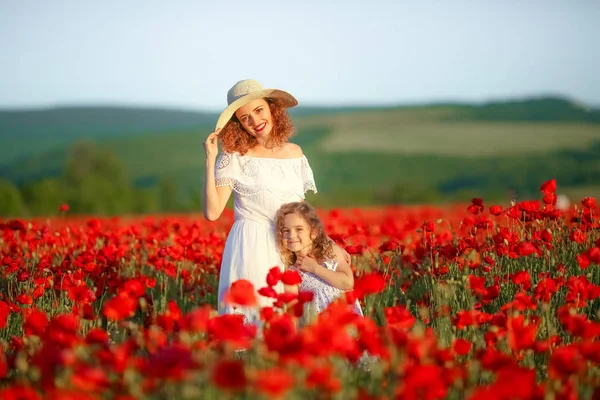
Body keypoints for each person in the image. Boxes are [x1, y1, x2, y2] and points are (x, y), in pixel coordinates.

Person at [202, 79, 349, 324]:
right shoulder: (234, 157)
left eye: (258, 110)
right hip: (252, 244)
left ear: (272, 108)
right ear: (238, 124)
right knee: (254, 319)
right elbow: (212, 212)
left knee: (291, 322)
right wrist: (210, 159)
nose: (255, 121)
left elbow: (301, 213)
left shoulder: (295, 153)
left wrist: (330, 246)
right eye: (244, 117)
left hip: (290, 243)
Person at [275, 201, 363, 323]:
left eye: (299, 229)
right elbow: (294, 312)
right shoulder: (292, 273)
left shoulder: (330, 251)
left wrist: (314, 268)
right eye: (286, 231)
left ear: (314, 232)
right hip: (321, 329)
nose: (291, 235)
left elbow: (347, 283)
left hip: (347, 322)